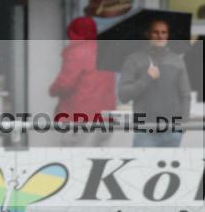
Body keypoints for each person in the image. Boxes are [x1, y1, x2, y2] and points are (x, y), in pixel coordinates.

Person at [118, 19, 191, 147]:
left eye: (164, 32)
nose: (160, 36)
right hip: (145, 131)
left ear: (168, 35)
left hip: (172, 131)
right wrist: (147, 78)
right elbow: (123, 95)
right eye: (155, 32)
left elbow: (185, 95)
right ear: (148, 34)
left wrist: (182, 124)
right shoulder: (134, 60)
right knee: (143, 167)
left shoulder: (176, 61)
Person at [48, 16, 116, 146]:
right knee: (98, 160)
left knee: (76, 161)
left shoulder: (77, 51)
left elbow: (65, 83)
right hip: (106, 117)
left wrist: (52, 90)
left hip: (80, 116)